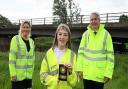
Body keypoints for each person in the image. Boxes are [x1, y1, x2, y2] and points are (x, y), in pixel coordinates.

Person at [76, 12, 114, 89]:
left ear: (99, 20)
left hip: (99, 75)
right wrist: (79, 69)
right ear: (90, 21)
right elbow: (80, 54)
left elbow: (110, 56)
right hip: (87, 74)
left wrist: (108, 74)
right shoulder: (85, 35)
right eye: (91, 19)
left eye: (95, 19)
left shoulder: (106, 35)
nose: (93, 21)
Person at [40, 24, 77, 89]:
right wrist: (54, 81)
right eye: (60, 34)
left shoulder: (72, 55)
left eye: (65, 35)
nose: (62, 37)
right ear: (56, 36)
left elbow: (74, 82)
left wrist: (70, 72)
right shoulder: (49, 53)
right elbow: (42, 75)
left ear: (68, 38)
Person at [9, 21, 35, 89]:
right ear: (20, 28)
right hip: (17, 77)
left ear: (30, 29)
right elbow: (11, 59)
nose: (25, 29)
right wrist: (13, 74)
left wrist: (31, 74)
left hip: (28, 77)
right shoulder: (15, 39)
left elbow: (33, 59)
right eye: (23, 27)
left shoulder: (32, 41)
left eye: (27, 27)